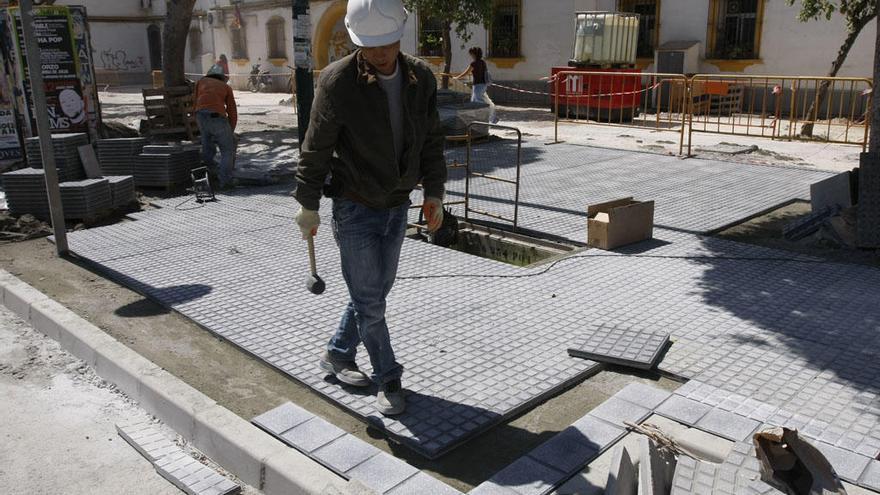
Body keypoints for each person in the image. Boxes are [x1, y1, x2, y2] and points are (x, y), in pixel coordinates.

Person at [294, 0, 446, 416]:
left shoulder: (420, 77)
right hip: (355, 206)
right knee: (372, 303)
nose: (380, 55)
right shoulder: (337, 82)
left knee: (373, 294)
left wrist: (434, 192)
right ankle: (389, 378)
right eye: (370, 47)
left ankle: (338, 353)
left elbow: (431, 140)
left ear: (400, 34)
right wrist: (307, 204)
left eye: (388, 44)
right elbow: (316, 146)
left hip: (398, 203)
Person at [193, 65, 237, 188]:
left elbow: (195, 101)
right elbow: (232, 111)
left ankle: (208, 178)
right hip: (217, 117)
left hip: (200, 116)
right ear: (222, 77)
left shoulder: (200, 82)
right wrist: (230, 131)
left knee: (207, 148)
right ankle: (225, 180)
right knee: (227, 151)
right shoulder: (226, 87)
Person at [454, 46, 498, 124]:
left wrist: (456, 77)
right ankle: (492, 117)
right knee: (483, 100)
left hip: (478, 86)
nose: (470, 55)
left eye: (471, 54)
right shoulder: (482, 62)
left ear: (474, 54)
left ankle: (483, 118)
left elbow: (466, 73)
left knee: (477, 102)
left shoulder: (474, 63)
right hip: (483, 85)